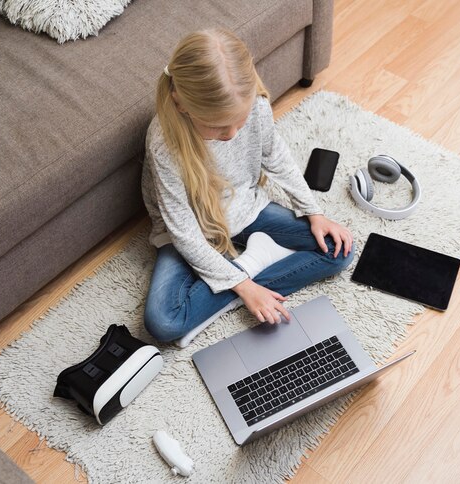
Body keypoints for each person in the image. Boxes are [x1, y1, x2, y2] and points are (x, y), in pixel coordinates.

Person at [142, 28, 354, 347]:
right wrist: (244, 284)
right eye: (218, 126)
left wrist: (314, 212)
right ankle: (250, 274)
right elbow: (183, 233)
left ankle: (236, 286)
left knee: (339, 251)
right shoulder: (164, 144)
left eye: (239, 122)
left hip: (246, 209)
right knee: (163, 322)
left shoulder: (254, 105)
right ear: (182, 104)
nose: (231, 133)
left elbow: (276, 158)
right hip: (190, 233)